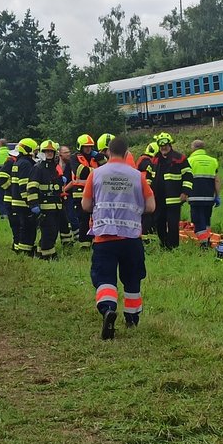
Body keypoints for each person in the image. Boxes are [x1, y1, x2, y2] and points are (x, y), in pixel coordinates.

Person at [82, 136, 155, 340]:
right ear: (126, 152)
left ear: (107, 152)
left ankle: (107, 310)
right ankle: (132, 319)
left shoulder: (96, 174)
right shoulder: (137, 176)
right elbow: (151, 206)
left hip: (104, 238)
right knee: (132, 279)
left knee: (104, 278)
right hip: (131, 238)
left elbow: (86, 206)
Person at [149, 132, 192, 250]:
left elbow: (188, 175)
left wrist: (185, 192)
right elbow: (148, 177)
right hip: (158, 198)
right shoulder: (155, 160)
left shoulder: (179, 158)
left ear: (170, 145)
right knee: (159, 223)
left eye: (166, 145)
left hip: (174, 198)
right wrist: (147, 193)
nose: (163, 148)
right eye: (161, 146)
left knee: (173, 224)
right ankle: (163, 244)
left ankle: (173, 247)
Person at [27, 140, 65, 259]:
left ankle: (40, 253)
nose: (49, 153)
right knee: (49, 232)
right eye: (46, 151)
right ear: (42, 153)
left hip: (56, 206)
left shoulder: (54, 167)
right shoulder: (38, 168)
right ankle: (49, 256)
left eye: (51, 151)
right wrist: (34, 205)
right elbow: (32, 187)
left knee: (53, 231)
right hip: (44, 206)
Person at [187, 140, 221, 247]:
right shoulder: (213, 161)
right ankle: (207, 240)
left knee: (197, 221)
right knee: (206, 221)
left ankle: (204, 244)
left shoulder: (189, 161)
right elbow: (216, 180)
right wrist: (217, 196)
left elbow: (185, 180)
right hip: (209, 198)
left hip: (194, 198)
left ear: (193, 148)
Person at [69, 134, 99, 248]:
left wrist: (101, 158)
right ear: (80, 147)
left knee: (97, 218)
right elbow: (81, 172)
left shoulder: (95, 157)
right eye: (86, 146)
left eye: (90, 146)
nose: (88, 149)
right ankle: (84, 244)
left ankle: (95, 241)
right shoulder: (74, 158)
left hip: (95, 193)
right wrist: (97, 170)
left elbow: (106, 168)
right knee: (83, 219)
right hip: (80, 194)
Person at [10, 138, 39, 255]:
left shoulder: (19, 162)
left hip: (17, 202)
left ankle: (23, 249)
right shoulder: (26, 164)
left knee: (24, 227)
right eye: (35, 151)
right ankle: (25, 251)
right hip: (23, 203)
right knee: (28, 227)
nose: (36, 153)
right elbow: (24, 186)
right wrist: (30, 203)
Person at [135, 142, 158, 236]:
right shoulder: (145, 161)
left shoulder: (143, 160)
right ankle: (146, 236)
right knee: (148, 215)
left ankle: (149, 235)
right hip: (145, 192)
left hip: (144, 191)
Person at [59, 144, 79, 233]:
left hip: (69, 194)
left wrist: (63, 190)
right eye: (66, 152)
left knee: (72, 215)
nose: (68, 154)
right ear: (60, 154)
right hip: (58, 195)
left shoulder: (71, 164)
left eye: (69, 152)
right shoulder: (56, 165)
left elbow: (73, 181)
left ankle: (77, 234)